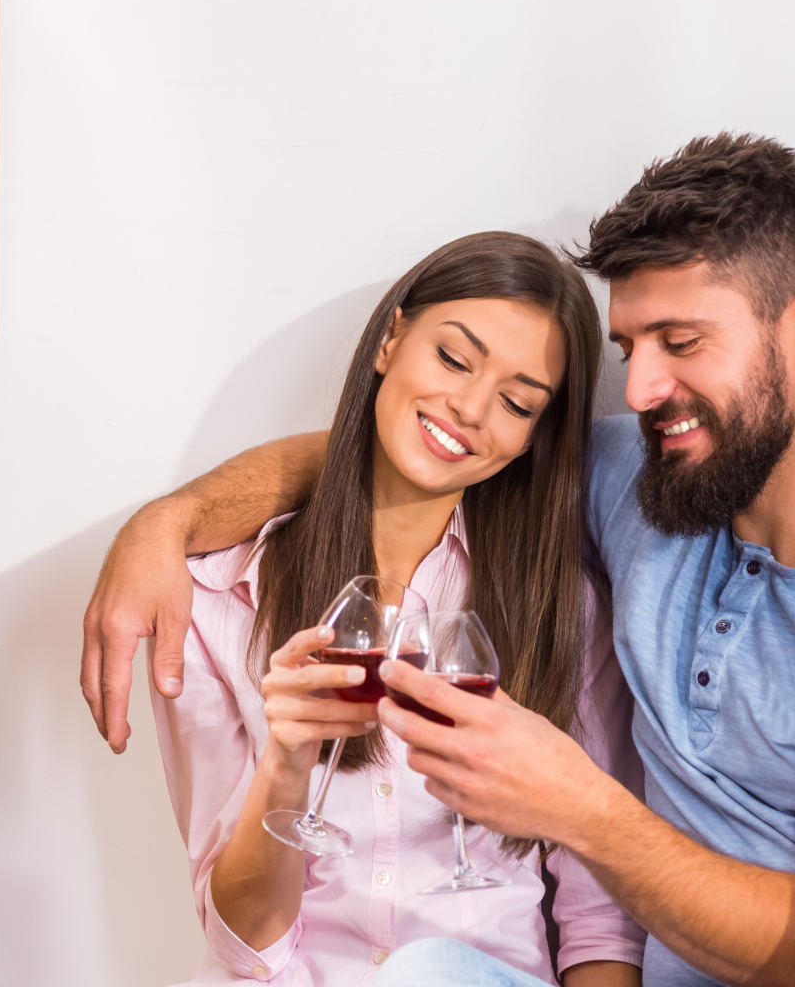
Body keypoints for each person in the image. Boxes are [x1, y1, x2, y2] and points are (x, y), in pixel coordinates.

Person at [85, 134, 795, 986]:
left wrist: (577, 804)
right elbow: (424, 450)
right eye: (629, 348)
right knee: (425, 974)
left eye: (679, 342)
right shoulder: (655, 478)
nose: (642, 388)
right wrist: (169, 521)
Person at [150, 231, 644, 986]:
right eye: (453, 359)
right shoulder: (219, 601)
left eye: (516, 402)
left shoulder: (561, 610)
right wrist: (287, 762)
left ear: (531, 437)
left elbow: (599, 917)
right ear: (391, 339)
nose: (470, 408)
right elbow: (245, 945)